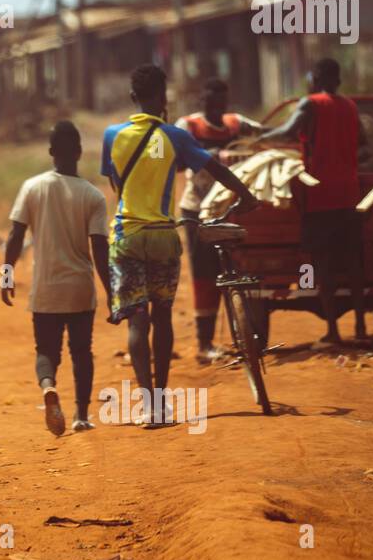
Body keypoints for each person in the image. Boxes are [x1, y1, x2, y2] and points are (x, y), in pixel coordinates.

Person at [101, 65, 257, 426]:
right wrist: (246, 195)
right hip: (163, 236)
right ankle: (163, 400)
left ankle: (149, 406)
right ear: (163, 96)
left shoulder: (112, 134)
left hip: (127, 236)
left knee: (137, 323)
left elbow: (116, 184)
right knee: (163, 317)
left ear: (131, 97)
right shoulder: (175, 136)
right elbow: (215, 168)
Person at [2, 121, 111, 436]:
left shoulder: (32, 187)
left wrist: (6, 275)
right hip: (80, 288)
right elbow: (100, 248)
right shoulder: (93, 196)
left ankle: (48, 386)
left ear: (50, 152)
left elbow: (14, 235)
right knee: (82, 351)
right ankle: (81, 415)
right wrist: (112, 291)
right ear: (79, 152)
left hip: (46, 288)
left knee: (46, 351)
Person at [255, 57, 365, 345]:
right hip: (349, 193)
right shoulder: (351, 106)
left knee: (324, 264)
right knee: (353, 262)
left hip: (320, 196)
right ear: (338, 80)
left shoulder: (310, 104)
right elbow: (363, 141)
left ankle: (333, 330)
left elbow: (287, 132)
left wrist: (256, 135)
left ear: (314, 80)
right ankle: (362, 326)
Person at [175, 79, 262, 363]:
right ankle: (204, 343)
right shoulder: (188, 127)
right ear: (202, 102)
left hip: (230, 207)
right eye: (211, 103)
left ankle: (245, 335)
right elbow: (175, 161)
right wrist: (202, 156)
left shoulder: (236, 124)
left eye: (221, 103)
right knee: (203, 276)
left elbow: (265, 132)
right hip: (197, 209)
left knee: (239, 269)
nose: (217, 109)